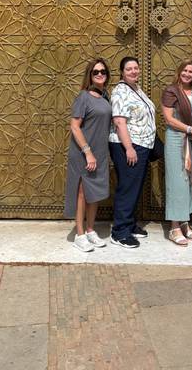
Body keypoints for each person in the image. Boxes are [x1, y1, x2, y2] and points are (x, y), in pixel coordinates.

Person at [64, 58, 112, 252]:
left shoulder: (106, 96)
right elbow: (75, 126)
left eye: (103, 71)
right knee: (83, 193)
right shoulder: (83, 97)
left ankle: (91, 230)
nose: (100, 74)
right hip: (84, 152)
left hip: (100, 152)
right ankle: (80, 234)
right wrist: (88, 152)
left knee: (96, 193)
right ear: (90, 75)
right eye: (95, 72)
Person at [109, 56, 156, 248]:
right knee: (128, 188)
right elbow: (119, 121)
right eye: (129, 69)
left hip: (141, 144)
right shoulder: (120, 91)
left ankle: (129, 223)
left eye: (136, 68)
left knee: (134, 186)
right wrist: (128, 148)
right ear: (122, 71)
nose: (133, 71)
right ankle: (119, 232)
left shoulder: (135, 89)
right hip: (128, 145)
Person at [161, 61, 192, 246]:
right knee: (176, 181)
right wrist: (189, 129)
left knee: (188, 181)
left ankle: (185, 221)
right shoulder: (171, 91)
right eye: (185, 71)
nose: (187, 74)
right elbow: (169, 119)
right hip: (176, 140)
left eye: (191, 72)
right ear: (179, 72)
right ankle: (174, 226)